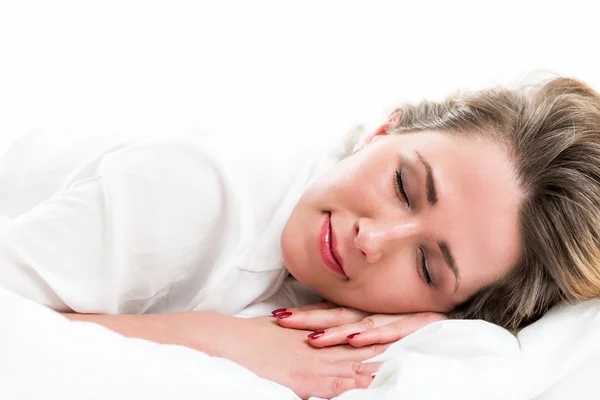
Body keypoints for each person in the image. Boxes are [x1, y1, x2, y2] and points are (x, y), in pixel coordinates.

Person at [1, 75, 599, 399]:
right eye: (402, 184)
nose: (374, 238)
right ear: (383, 130)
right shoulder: (205, 187)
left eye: (427, 266)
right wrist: (228, 342)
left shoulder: (410, 315)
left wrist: (449, 326)